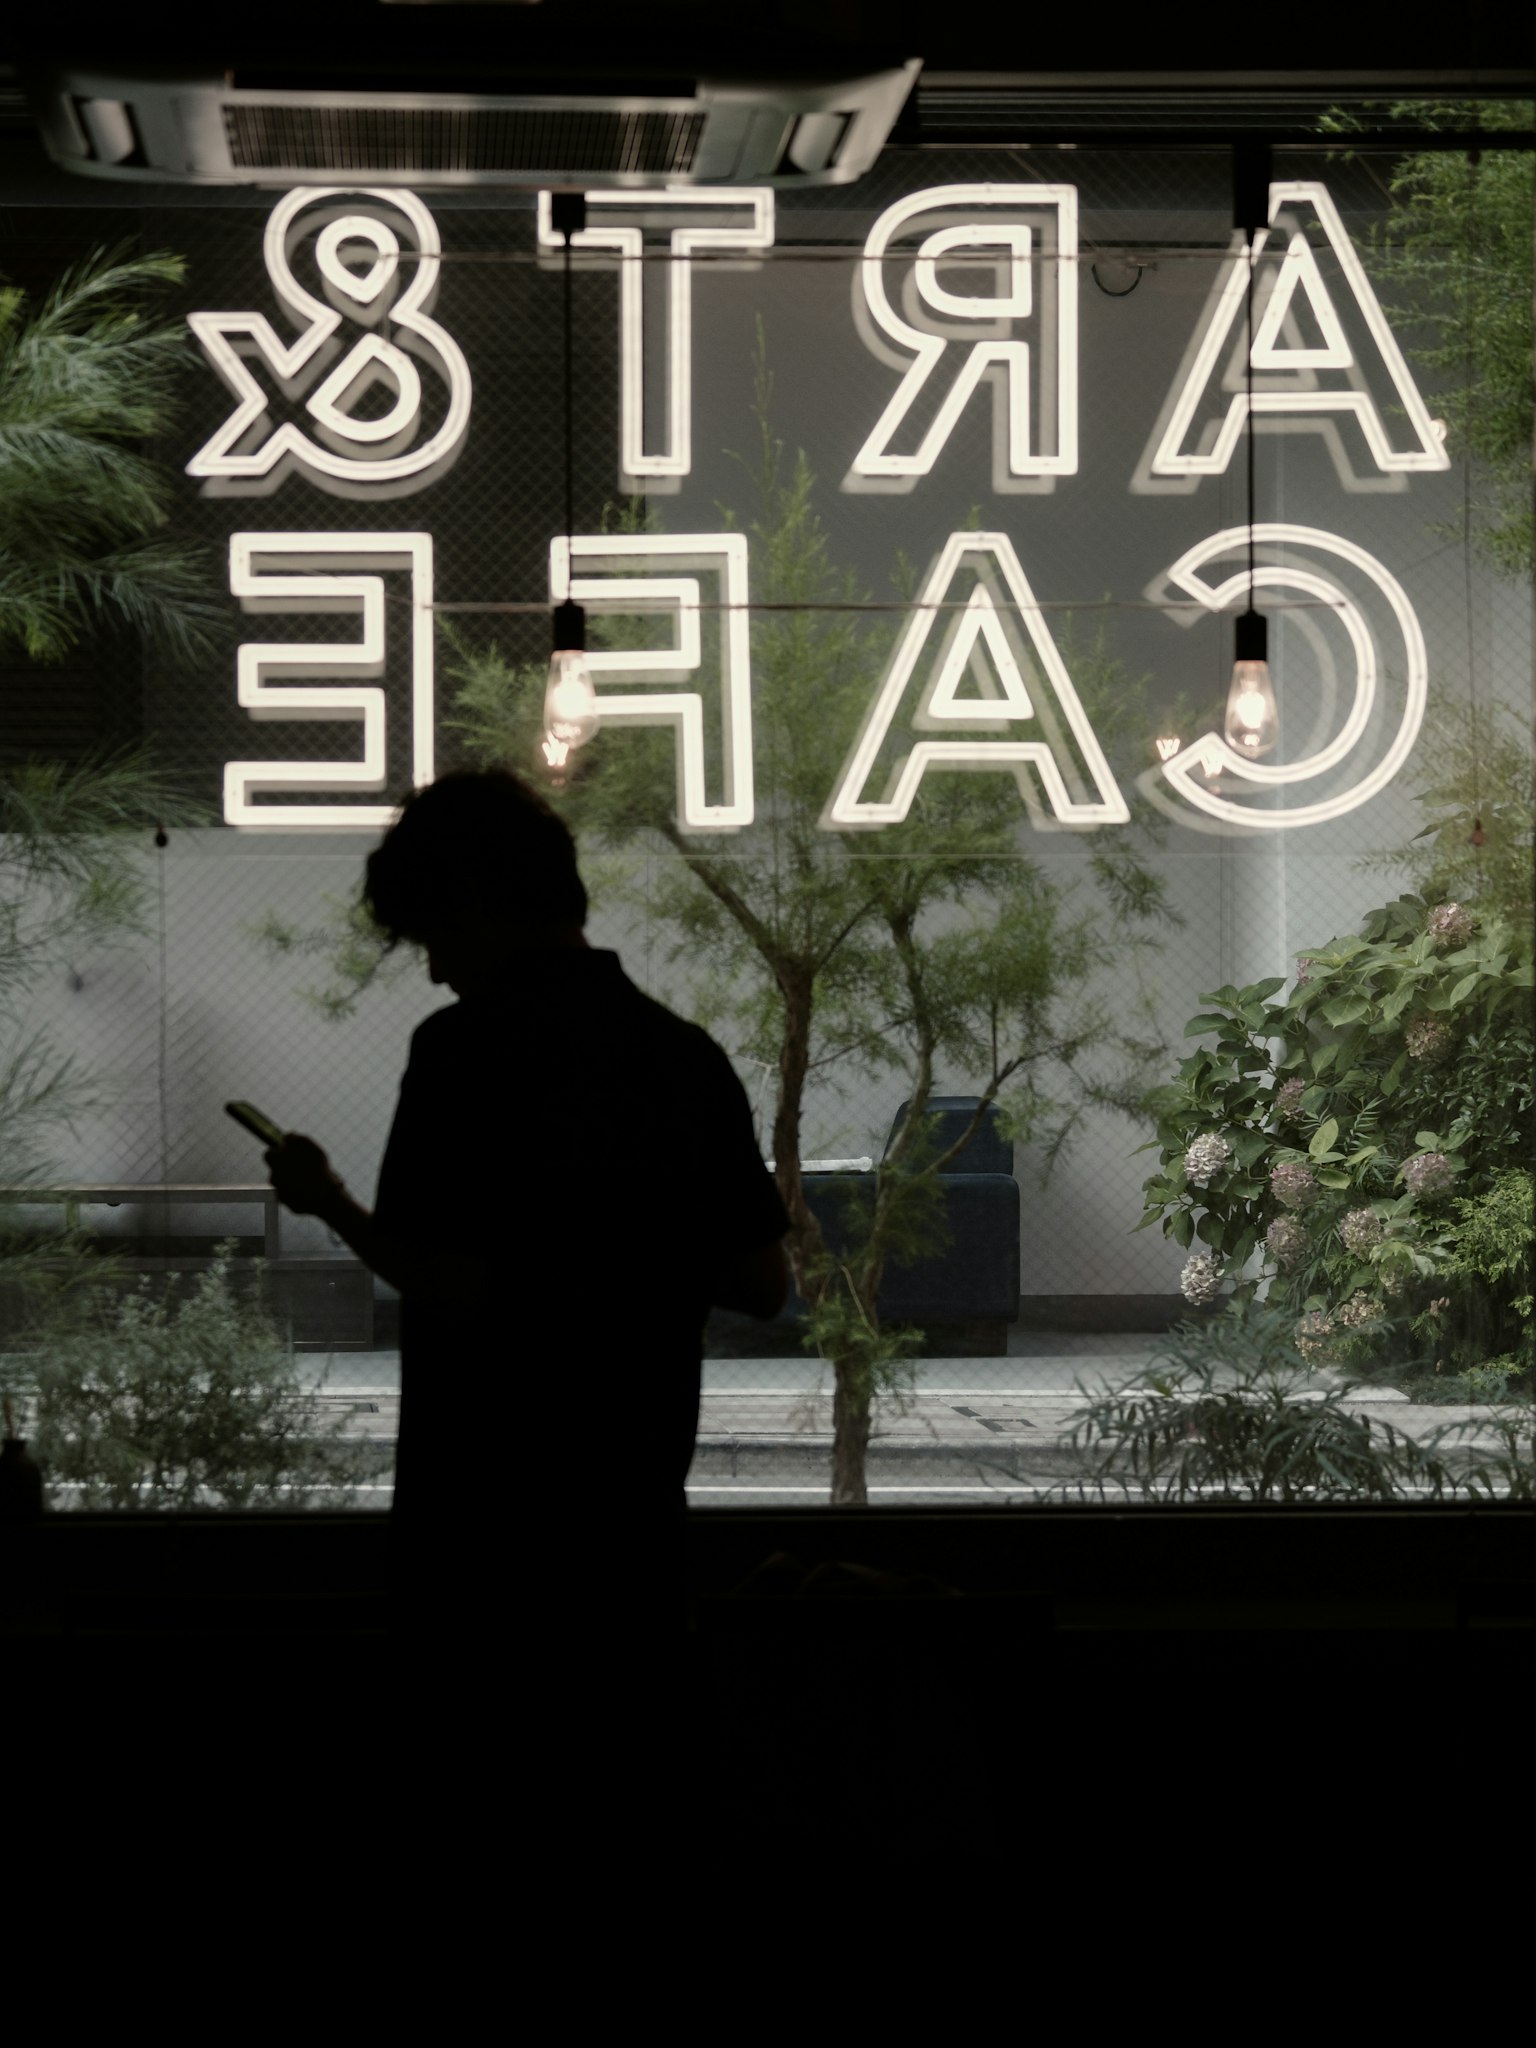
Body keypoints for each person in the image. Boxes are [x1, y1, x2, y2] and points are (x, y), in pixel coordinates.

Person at [263, 768, 790, 1652]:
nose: (431, 968)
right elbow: (762, 1283)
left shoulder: (461, 1056)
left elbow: (449, 1283)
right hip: (632, 1534)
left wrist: (331, 1205)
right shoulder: (683, 1057)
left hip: (477, 1536)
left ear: (473, 905)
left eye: (431, 932)